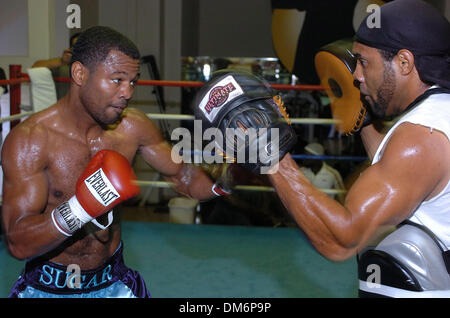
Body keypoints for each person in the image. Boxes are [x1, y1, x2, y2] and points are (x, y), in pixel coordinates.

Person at [194, 0, 449, 297]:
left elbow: (342, 240)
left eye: (364, 62)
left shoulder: (420, 137)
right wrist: (363, 121)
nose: (356, 75)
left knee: (394, 254)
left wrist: (272, 158)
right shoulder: (437, 116)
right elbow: (408, 175)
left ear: (404, 63)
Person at [1, 26, 223, 298]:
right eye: (117, 80)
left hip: (115, 283)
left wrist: (230, 175)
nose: (127, 92)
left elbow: (185, 177)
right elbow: (18, 243)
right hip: (46, 288)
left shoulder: (134, 127)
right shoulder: (31, 141)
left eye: (133, 81)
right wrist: (80, 208)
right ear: (80, 74)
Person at [32, 33, 81, 99]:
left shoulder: (96, 67)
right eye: (76, 47)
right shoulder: (64, 67)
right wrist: (61, 61)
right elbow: (35, 67)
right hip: (65, 108)